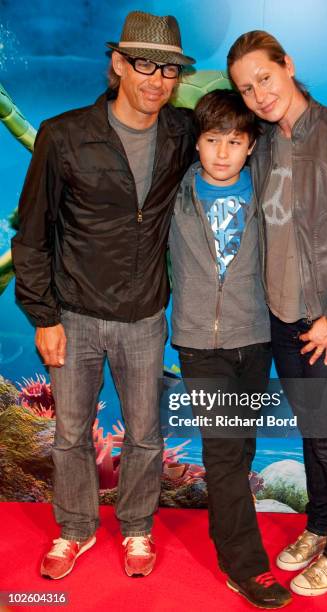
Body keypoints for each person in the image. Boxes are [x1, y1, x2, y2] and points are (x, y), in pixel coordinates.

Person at [11, 11, 196, 580]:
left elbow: (250, 132)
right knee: (70, 435)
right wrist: (43, 315)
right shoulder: (63, 134)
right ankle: (74, 530)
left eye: (168, 68)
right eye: (144, 64)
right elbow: (33, 233)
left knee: (145, 433)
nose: (156, 79)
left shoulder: (183, 131)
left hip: (145, 315)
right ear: (118, 64)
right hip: (74, 313)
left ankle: (137, 529)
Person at [227, 31, 327, 597]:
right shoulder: (266, 144)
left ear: (288, 66)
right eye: (246, 89)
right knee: (311, 433)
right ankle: (320, 526)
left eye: (264, 79)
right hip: (284, 317)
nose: (258, 95)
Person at [169, 89, 292, 609]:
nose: (222, 152)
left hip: (256, 336)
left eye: (235, 141)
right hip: (201, 343)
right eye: (212, 139)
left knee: (240, 450)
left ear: (250, 146)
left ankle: (227, 536)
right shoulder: (172, 194)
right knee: (222, 451)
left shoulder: (268, 190)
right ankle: (247, 567)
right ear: (196, 143)